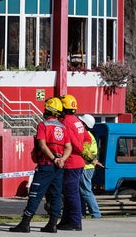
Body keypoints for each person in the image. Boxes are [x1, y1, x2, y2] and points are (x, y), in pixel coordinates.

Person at [9, 97, 72, 233]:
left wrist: (54, 159)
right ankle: (52, 224)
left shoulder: (43, 125)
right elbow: (68, 147)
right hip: (59, 167)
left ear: (48, 111)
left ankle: (25, 223)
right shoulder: (63, 127)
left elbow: (42, 145)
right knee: (55, 195)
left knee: (35, 194)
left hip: (46, 165)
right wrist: (62, 160)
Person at [58, 94, 87, 231]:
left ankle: (75, 222)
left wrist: (79, 150)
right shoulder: (77, 120)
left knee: (70, 193)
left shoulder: (66, 122)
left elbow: (74, 144)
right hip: (78, 162)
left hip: (71, 162)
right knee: (69, 193)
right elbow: (87, 138)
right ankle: (66, 221)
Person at [78, 113, 102, 219]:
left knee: (85, 190)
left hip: (86, 167)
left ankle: (96, 214)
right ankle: (81, 213)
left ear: (84, 124)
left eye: (81, 122)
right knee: (80, 191)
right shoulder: (89, 135)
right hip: (88, 167)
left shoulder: (85, 136)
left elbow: (84, 151)